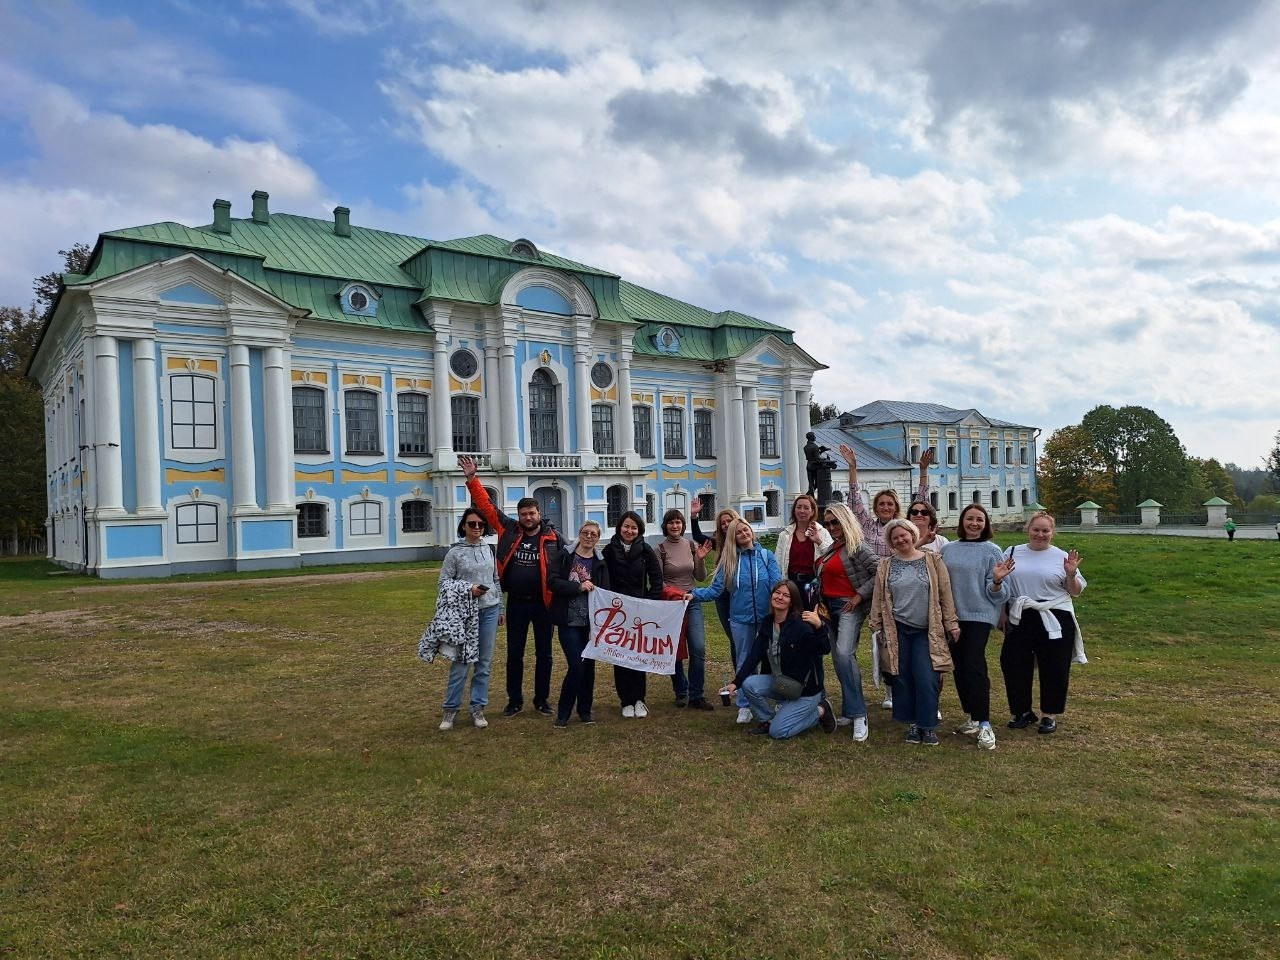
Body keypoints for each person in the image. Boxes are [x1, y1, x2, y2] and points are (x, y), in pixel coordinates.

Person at [459, 455, 564, 717]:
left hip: (543, 604)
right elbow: (486, 505)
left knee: (544, 654)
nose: (528, 517)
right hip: (516, 602)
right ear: (519, 516)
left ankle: (542, 700)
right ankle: (514, 700)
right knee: (514, 654)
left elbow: (567, 566)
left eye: (532, 513)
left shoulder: (553, 537)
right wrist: (472, 478)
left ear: (540, 514)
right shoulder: (510, 530)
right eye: (524, 514)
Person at [840, 442, 931, 711]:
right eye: (881, 503)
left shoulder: (904, 527)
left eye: (890, 504)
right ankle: (891, 689)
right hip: (875, 589)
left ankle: (910, 686)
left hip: (904, 590)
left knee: (903, 639)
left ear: (896, 507)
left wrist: (923, 471)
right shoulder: (867, 526)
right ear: (876, 507)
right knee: (883, 641)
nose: (885, 507)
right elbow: (855, 503)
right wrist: (853, 468)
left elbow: (922, 501)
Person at [868, 518, 959, 746]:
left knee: (926, 677)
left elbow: (945, 595)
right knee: (901, 677)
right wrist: (876, 625)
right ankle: (912, 724)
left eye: (903, 535)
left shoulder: (933, 560)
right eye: (895, 537)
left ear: (912, 534)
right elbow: (879, 597)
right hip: (897, 629)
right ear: (891, 541)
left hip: (926, 631)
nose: (900, 540)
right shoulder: (885, 565)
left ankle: (927, 726)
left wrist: (952, 623)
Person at [1000, 512, 1087, 735]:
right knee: (1014, 663)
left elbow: (1075, 591)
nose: (1040, 534)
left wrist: (1071, 574)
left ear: (1052, 532)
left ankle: (1050, 714)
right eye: (1036, 529)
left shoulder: (1061, 557)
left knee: (1054, 666)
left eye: (1045, 531)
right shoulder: (1011, 552)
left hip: (1054, 615)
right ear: (1028, 529)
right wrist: (1002, 613)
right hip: (1021, 614)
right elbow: (1003, 584)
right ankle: (1021, 712)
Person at [688, 519, 782, 724]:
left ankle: (777, 699)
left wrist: (781, 611)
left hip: (768, 618)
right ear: (732, 537)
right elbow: (716, 590)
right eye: (738, 532)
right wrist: (693, 594)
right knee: (744, 660)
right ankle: (744, 704)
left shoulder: (766, 556)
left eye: (745, 530)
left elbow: (777, 585)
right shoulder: (729, 561)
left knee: (775, 659)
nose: (743, 534)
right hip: (741, 619)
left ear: (751, 531)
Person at [940, 504, 1013, 750]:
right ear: (962, 522)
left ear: (986, 524)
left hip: (980, 616)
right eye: (970, 519)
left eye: (979, 520)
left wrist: (996, 581)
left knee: (974, 663)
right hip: (952, 616)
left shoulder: (992, 551)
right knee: (959, 666)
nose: (974, 524)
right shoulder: (948, 549)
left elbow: (1000, 595)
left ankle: (984, 723)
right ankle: (971, 715)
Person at [723, 581, 837, 739]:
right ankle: (768, 720)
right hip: (782, 684)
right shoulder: (768, 622)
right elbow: (754, 656)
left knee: (778, 732)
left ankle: (820, 711)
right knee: (749, 684)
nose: (780, 597)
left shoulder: (800, 625)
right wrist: (736, 683)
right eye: (777, 593)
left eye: (786, 595)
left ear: (792, 601)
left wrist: (819, 626)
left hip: (805, 691)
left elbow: (824, 649)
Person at [432, 508, 504, 731]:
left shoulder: (489, 549)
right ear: (463, 526)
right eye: (472, 524)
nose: (476, 528)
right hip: (465, 613)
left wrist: (500, 607)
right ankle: (450, 710)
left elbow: (495, 579)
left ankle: (478, 707)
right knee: (462, 661)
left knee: (484, 662)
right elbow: (443, 584)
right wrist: (468, 589)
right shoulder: (455, 553)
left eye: (480, 525)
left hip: (489, 610)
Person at [814, 502, 879, 741]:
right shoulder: (833, 547)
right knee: (840, 660)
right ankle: (851, 711)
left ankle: (860, 714)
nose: (832, 527)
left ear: (846, 521)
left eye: (836, 522)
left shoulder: (857, 546)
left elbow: (879, 570)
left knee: (844, 655)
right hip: (828, 608)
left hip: (848, 606)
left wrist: (859, 595)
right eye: (828, 523)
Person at [602, 510, 664, 718]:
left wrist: (650, 603)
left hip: (640, 610)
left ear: (639, 530)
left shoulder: (646, 551)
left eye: (634, 527)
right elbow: (604, 579)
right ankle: (625, 700)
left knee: (637, 654)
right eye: (626, 526)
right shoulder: (609, 551)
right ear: (619, 527)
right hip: (617, 611)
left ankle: (639, 699)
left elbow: (656, 580)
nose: (629, 530)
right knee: (620, 655)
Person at [548, 520, 610, 728]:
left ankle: (585, 710)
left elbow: (605, 591)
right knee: (576, 665)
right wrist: (578, 587)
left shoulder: (600, 561)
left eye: (593, 534)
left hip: (591, 623)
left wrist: (601, 624)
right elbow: (553, 581)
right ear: (580, 534)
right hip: (568, 620)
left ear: (598, 538)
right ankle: (563, 712)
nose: (589, 536)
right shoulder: (565, 555)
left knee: (589, 667)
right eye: (585, 532)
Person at [656, 508, 713, 710]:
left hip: (692, 600)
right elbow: (658, 582)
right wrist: (673, 593)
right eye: (671, 522)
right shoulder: (660, 549)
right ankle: (681, 691)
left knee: (698, 648)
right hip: (671, 604)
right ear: (666, 526)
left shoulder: (690, 545)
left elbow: (700, 577)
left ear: (683, 525)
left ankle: (697, 695)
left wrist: (700, 558)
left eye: (678, 522)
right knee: (675, 649)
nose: (675, 526)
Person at [688, 499, 739, 654]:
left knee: (742, 636)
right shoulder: (719, 544)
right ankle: (739, 676)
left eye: (729, 521)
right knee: (733, 638)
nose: (725, 525)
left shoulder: (744, 540)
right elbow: (697, 536)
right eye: (722, 523)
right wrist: (694, 516)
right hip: (722, 594)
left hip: (740, 593)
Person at [775, 494, 833, 592]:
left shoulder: (822, 532)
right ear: (794, 510)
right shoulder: (785, 535)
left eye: (806, 508)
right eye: (799, 507)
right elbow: (778, 563)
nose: (802, 511)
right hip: (791, 584)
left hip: (814, 584)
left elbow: (831, 556)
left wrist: (818, 541)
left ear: (812, 511)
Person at [804, 431, 830, 495]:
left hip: (809, 465)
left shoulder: (806, 447)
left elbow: (813, 456)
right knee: (818, 482)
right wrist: (825, 459)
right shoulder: (815, 446)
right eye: (814, 436)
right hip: (815, 466)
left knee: (810, 483)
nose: (815, 437)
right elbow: (818, 459)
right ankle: (808, 495)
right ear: (812, 437)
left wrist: (820, 451)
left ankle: (810, 496)